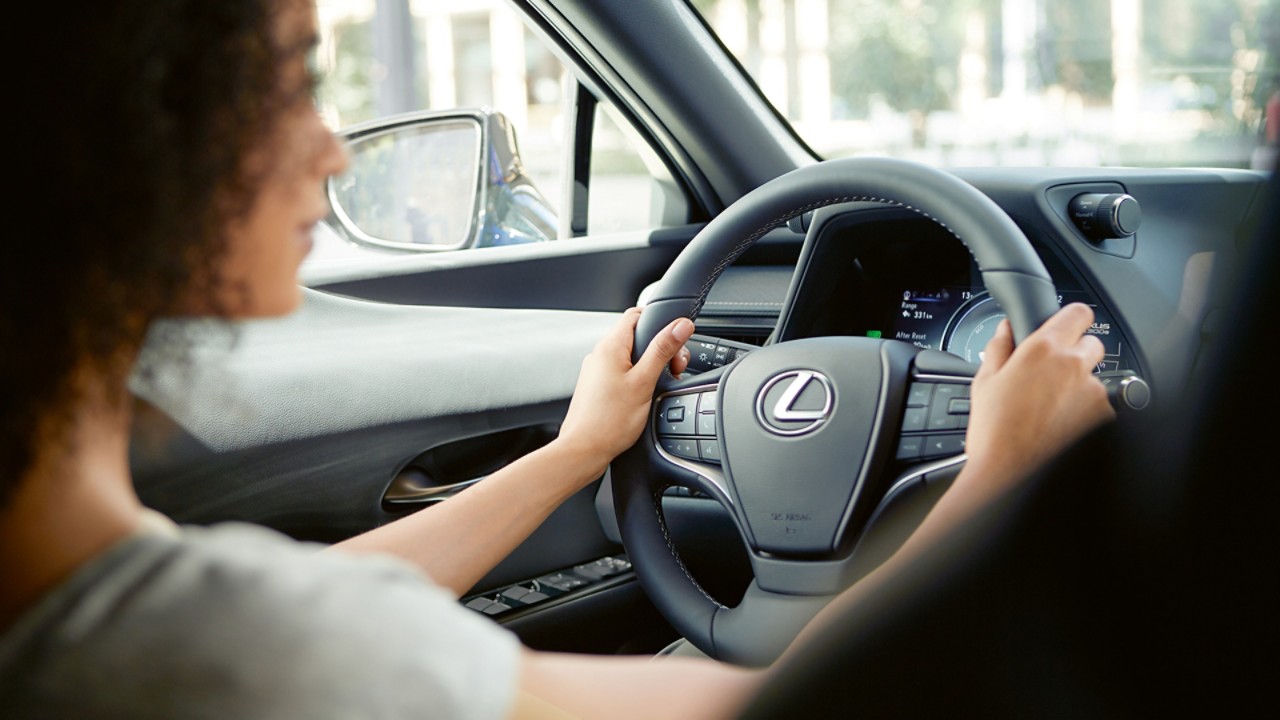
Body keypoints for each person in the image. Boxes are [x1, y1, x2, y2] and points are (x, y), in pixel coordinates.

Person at [0, 1, 1113, 718]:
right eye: (289, 81)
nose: (331, 146)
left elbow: (313, 598)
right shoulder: (212, 658)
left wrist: (577, 453)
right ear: (115, 134)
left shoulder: (105, 617)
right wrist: (995, 482)